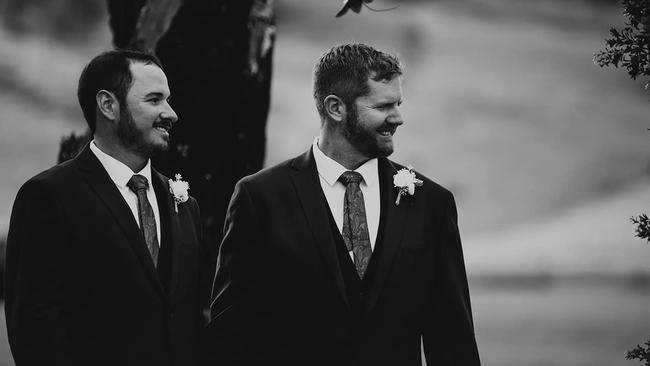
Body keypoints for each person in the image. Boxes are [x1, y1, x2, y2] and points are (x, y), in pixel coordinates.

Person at [207, 43, 480, 365]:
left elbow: (452, 336)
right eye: (383, 106)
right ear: (336, 108)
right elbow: (231, 331)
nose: (398, 118)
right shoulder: (260, 197)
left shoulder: (431, 203)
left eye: (398, 104)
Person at [5, 50, 206, 366]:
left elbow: (188, 318)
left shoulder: (184, 203)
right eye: (154, 100)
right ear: (108, 105)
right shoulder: (48, 197)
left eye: (168, 100)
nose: (171, 113)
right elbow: (36, 332)